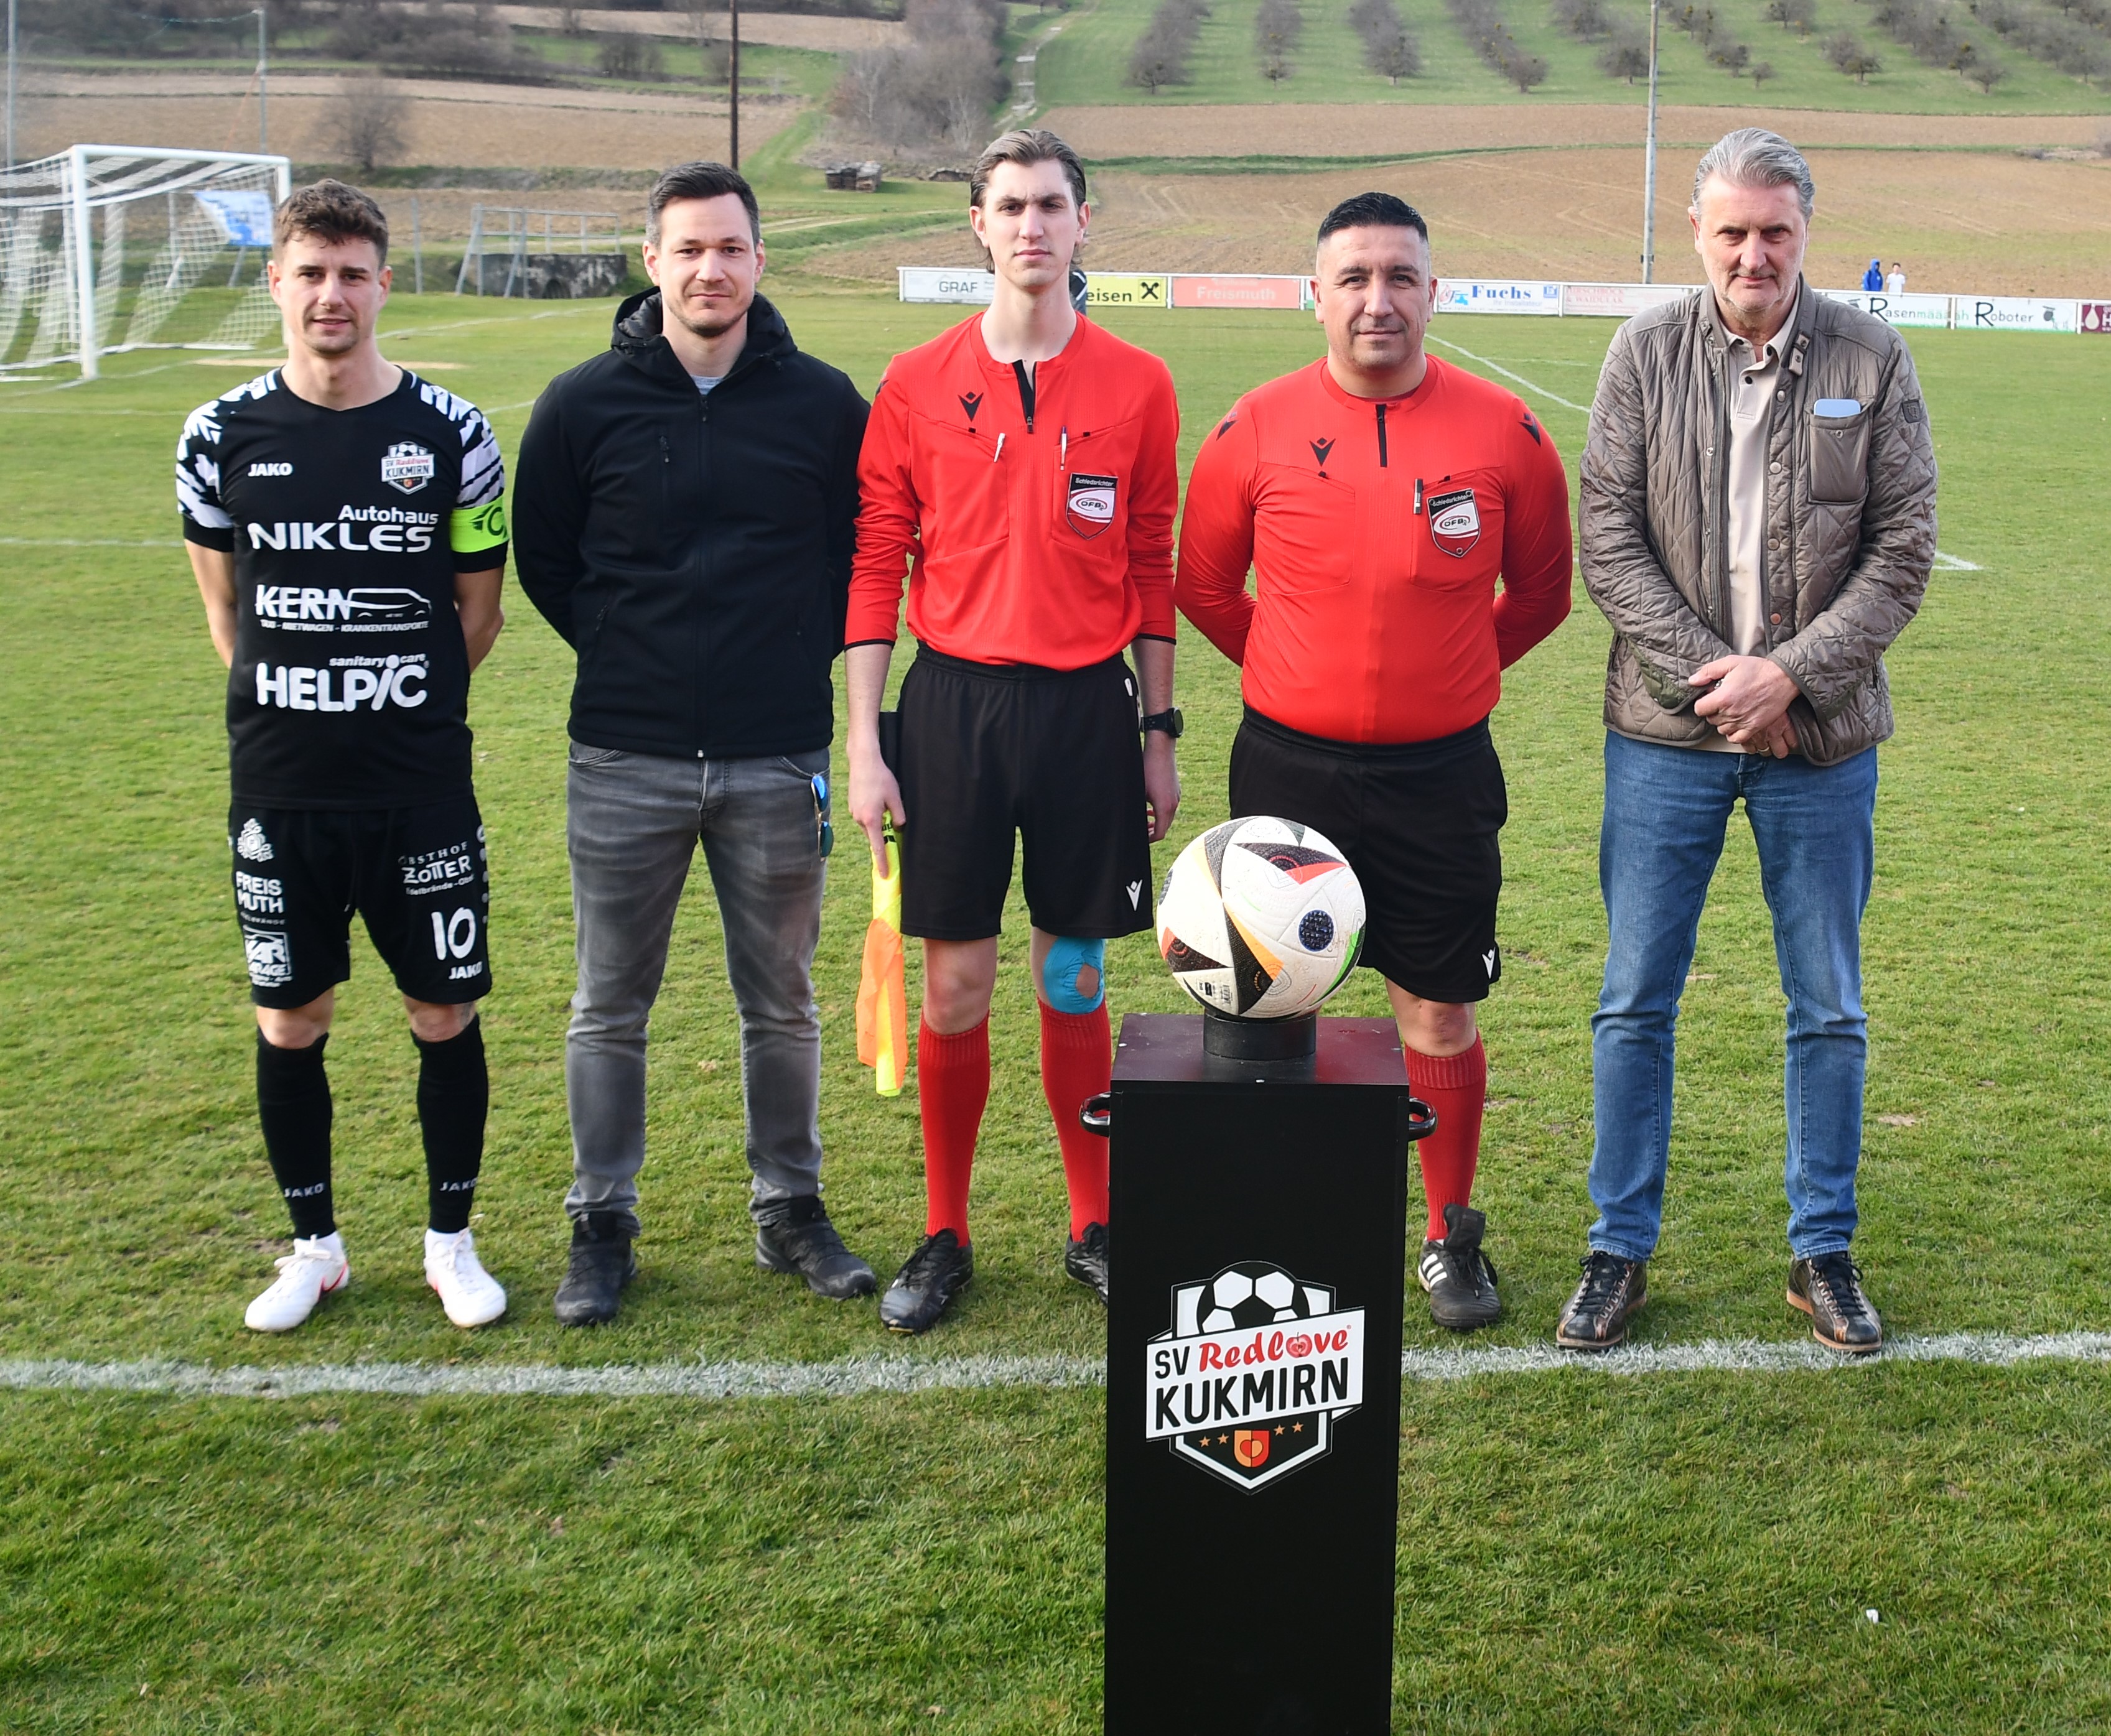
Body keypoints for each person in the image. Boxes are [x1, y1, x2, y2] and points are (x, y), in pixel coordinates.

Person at [1563, 128, 1937, 1353]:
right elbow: (1607, 539)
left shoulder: (1868, 357)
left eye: (1774, 231)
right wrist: (1717, 683)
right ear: (1696, 233)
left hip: (1818, 743)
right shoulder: (1642, 351)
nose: (1753, 254)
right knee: (1633, 1001)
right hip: (1663, 739)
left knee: (1825, 1005)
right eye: (1731, 231)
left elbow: (1901, 549)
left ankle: (1821, 1249)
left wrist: (1789, 676)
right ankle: (1616, 1250)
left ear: (1803, 231)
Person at [1175, 191, 1573, 1333]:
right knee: (1264, 1010)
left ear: (1433, 293)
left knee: (1436, 1014)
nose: (1377, 300)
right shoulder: (1253, 426)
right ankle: (1268, 1231)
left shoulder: (1505, 431)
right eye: (1352, 278)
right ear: (1316, 295)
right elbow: (1204, 588)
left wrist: (1446, 674)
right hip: (1286, 775)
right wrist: (1295, 673)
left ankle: (1449, 1235)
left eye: (1400, 277)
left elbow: (1541, 595)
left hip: (1438, 778)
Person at [513, 161, 875, 1325]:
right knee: (607, 1004)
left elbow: (859, 556)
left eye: (729, 248)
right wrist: (628, 650)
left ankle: (790, 1208)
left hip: (780, 755)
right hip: (625, 755)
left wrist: (790, 654)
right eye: (688, 249)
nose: (709, 269)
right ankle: (601, 1221)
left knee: (782, 1002)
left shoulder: (824, 404)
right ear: (651, 261)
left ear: (759, 260)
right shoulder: (581, 403)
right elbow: (546, 558)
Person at [846, 128, 1182, 1334]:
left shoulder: (1139, 383)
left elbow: (1150, 562)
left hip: (1087, 711)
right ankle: (945, 1229)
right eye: (1010, 206)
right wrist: (864, 742)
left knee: (1072, 975)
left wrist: (1157, 732)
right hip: (952, 709)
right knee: (954, 985)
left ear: (1083, 222)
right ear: (977, 225)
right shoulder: (914, 379)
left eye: (1050, 204)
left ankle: (1094, 1224)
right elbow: (875, 562)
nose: (1031, 225)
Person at [177, 179, 511, 1332]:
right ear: (276, 282)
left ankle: (450, 1243)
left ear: (383, 285)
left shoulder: (455, 435)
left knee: (442, 1013)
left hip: (419, 788)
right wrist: (303, 706)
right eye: (311, 272)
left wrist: (391, 703)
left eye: (353, 273)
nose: (333, 294)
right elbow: (227, 614)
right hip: (281, 789)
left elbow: (478, 614)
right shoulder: (217, 435)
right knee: (291, 1020)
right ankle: (313, 1250)